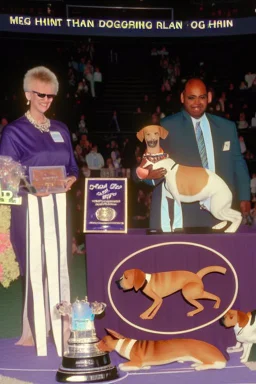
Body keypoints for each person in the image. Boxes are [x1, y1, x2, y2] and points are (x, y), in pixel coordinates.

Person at [0, 66, 78, 356]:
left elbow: (72, 166)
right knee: (36, 268)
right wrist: (32, 189)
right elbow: (5, 176)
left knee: (60, 266)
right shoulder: (14, 131)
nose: (46, 100)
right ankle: (37, 328)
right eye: (40, 94)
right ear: (27, 94)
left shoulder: (61, 129)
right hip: (29, 209)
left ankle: (64, 325)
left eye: (51, 95)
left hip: (58, 208)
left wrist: (71, 178)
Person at [142, 78, 250, 231]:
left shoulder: (227, 127)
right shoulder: (167, 126)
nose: (197, 102)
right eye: (191, 97)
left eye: (202, 97)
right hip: (185, 215)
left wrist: (245, 195)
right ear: (182, 98)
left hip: (219, 210)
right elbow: (151, 164)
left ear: (210, 97)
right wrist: (148, 176)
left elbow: (238, 162)